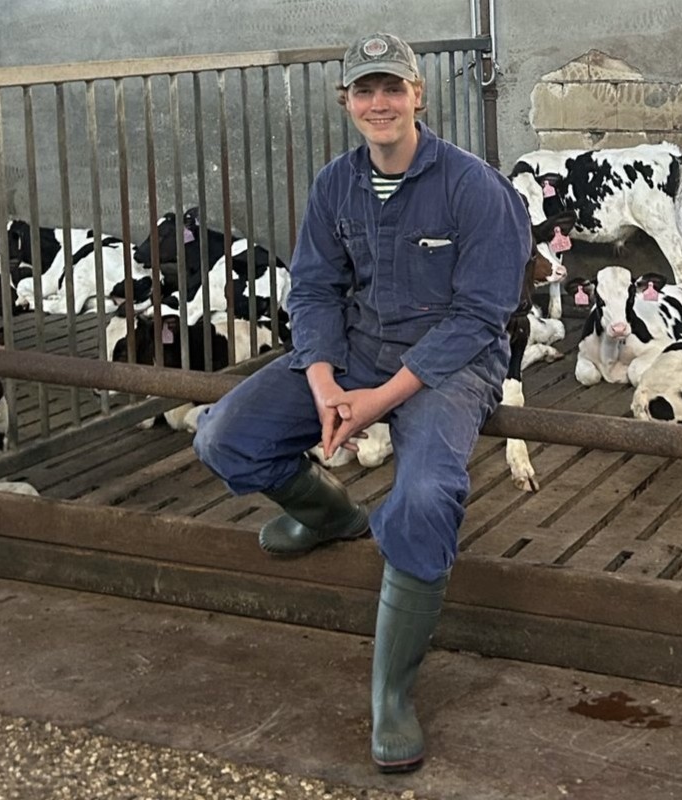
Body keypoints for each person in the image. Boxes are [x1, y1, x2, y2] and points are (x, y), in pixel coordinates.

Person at [192, 31, 531, 773]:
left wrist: (379, 399)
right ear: (346, 102)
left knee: (425, 495)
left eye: (392, 88)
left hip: (451, 365)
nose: (379, 102)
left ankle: (391, 694)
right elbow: (311, 288)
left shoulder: (475, 187)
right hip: (351, 351)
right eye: (364, 90)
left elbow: (481, 316)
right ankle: (334, 515)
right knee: (225, 437)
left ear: (419, 95)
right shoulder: (334, 185)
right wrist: (322, 381)